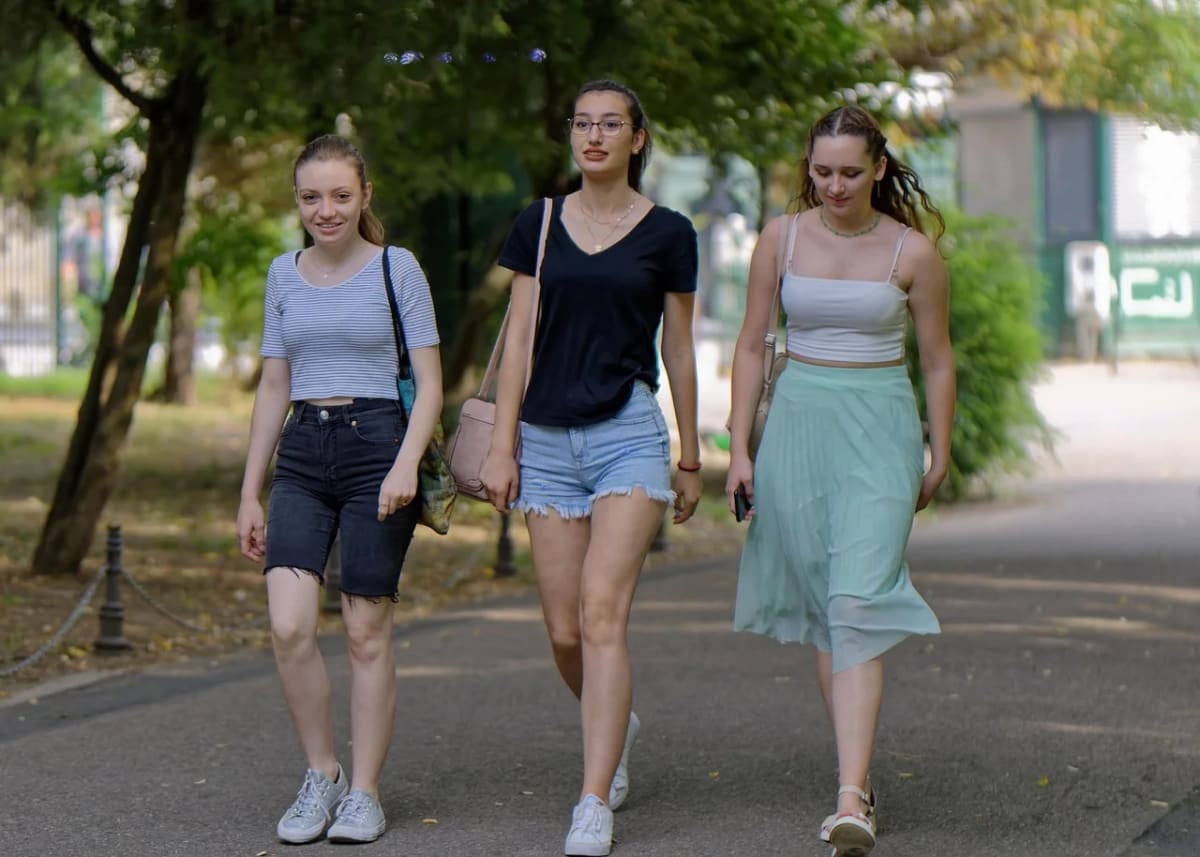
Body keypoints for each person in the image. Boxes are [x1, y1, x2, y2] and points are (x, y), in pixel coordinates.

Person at [726, 104, 954, 857]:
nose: (834, 185)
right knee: (831, 610)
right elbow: (752, 344)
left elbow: (936, 359)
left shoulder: (913, 252)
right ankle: (855, 777)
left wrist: (940, 451)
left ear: (878, 169)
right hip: (797, 429)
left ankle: (850, 799)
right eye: (821, 171)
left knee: (856, 601)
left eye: (850, 172)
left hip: (881, 431)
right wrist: (740, 449)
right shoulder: (780, 238)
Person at [482, 79, 703, 856]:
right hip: (543, 442)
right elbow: (518, 339)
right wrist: (502, 444)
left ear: (637, 139)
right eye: (583, 123)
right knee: (564, 628)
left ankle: (593, 797)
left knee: (603, 611)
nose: (594, 136)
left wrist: (690, 454)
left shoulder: (670, 232)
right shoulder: (539, 223)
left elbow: (679, 348)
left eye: (611, 124)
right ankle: (617, 721)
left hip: (627, 435)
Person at [236, 134, 442, 845]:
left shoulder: (396, 267)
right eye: (311, 197)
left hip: (378, 450)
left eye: (340, 196)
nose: (326, 210)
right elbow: (274, 384)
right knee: (289, 626)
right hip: (301, 454)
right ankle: (321, 772)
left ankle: (364, 793)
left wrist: (406, 463)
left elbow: (430, 382)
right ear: (297, 201)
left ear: (364, 197)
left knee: (363, 630)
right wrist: (250, 491)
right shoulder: (282, 273)